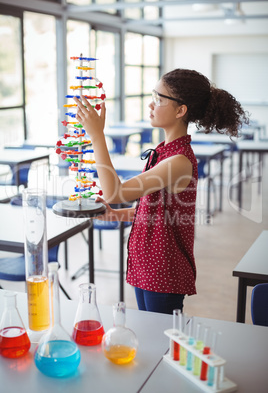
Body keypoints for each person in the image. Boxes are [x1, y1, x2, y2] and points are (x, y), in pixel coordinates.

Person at [74, 68, 249, 315]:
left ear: (180, 110)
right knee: (151, 334)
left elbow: (115, 192)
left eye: (159, 99)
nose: (151, 105)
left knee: (163, 346)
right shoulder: (164, 152)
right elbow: (154, 211)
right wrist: (117, 215)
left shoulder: (178, 161)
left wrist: (96, 136)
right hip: (145, 265)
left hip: (163, 271)